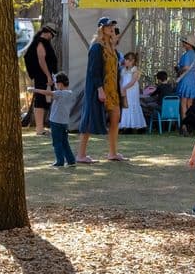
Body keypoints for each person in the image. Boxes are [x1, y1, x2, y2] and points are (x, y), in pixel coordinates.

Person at [78, 17, 123, 163]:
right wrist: (99, 89)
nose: (111, 28)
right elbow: (93, 70)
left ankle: (112, 153)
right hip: (99, 88)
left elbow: (115, 70)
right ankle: (81, 155)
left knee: (116, 117)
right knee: (90, 119)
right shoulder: (97, 47)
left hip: (112, 89)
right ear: (101, 28)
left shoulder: (111, 46)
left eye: (112, 25)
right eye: (108, 26)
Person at [29, 72, 77, 167]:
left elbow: (48, 93)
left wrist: (34, 90)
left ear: (60, 84)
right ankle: (71, 160)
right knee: (64, 142)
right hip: (64, 122)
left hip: (56, 122)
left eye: (55, 83)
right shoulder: (70, 93)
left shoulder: (59, 93)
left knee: (57, 142)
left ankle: (60, 161)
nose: (54, 85)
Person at [24, 24, 59, 135]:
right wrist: (48, 75)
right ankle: (39, 128)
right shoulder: (40, 42)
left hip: (46, 75)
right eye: (52, 35)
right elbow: (41, 61)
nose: (52, 37)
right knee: (40, 99)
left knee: (46, 100)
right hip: (42, 76)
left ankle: (41, 127)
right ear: (47, 32)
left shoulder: (43, 42)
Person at [118, 51, 146, 132]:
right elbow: (121, 80)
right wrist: (121, 88)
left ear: (132, 61)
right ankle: (126, 125)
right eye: (125, 60)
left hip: (131, 90)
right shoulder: (123, 70)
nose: (125, 61)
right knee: (125, 105)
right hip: (124, 90)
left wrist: (124, 88)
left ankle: (138, 125)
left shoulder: (135, 70)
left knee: (132, 105)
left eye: (127, 60)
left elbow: (133, 81)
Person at [174, 38, 195, 118]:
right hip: (193, 79)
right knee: (190, 103)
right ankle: (190, 124)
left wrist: (178, 70)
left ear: (189, 44)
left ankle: (184, 125)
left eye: (185, 42)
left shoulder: (187, 54)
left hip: (186, 79)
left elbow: (186, 67)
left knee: (183, 103)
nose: (183, 44)